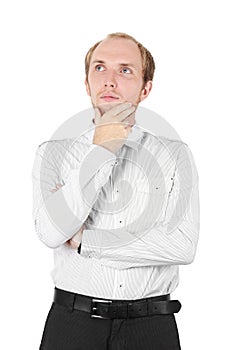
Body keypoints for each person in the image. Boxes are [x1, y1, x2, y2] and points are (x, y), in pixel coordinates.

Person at [32, 32, 200, 350]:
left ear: (145, 88)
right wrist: (101, 151)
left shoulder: (174, 155)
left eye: (125, 70)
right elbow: (51, 233)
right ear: (86, 83)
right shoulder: (53, 153)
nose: (110, 80)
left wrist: (86, 240)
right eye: (99, 68)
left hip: (152, 328)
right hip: (72, 325)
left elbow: (182, 246)